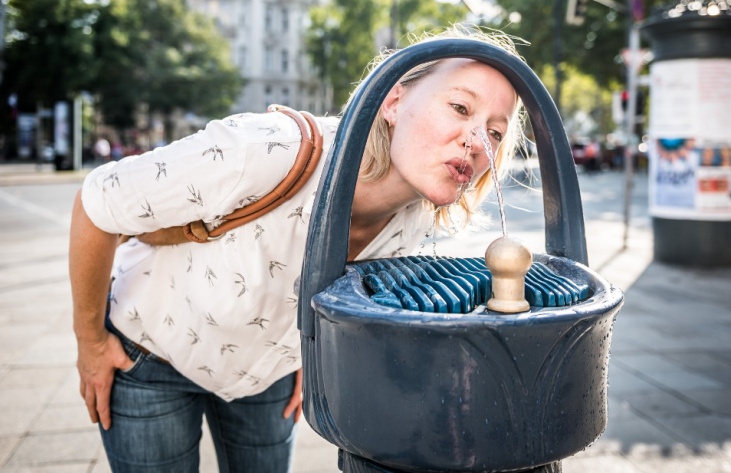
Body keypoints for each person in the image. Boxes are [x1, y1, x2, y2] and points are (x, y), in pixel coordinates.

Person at [69, 26, 527, 473]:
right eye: (459, 107)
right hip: (150, 356)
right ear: (393, 101)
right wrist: (91, 343)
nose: (477, 140)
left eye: (496, 131)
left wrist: (311, 353)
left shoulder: (419, 215)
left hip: (268, 377)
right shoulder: (266, 149)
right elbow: (96, 203)